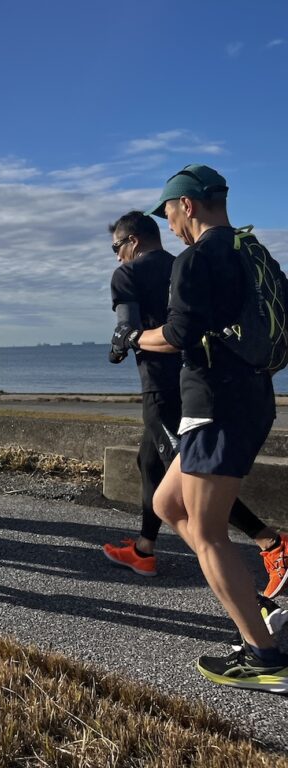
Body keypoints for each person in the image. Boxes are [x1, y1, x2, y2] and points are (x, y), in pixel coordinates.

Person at [113, 164, 288, 690]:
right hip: (251, 395)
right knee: (168, 506)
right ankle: (248, 606)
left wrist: (134, 338)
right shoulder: (254, 251)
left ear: (187, 205)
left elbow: (181, 334)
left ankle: (266, 660)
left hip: (215, 405)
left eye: (167, 211)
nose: (167, 223)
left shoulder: (194, 259)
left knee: (208, 532)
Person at [103, 211, 287, 593]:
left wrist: (124, 340)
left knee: (188, 479)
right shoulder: (182, 264)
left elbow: (126, 329)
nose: (117, 256)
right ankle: (144, 549)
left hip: (164, 389)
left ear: (133, 241)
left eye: (117, 247)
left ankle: (270, 542)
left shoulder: (127, 275)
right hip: (203, 380)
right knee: (148, 460)